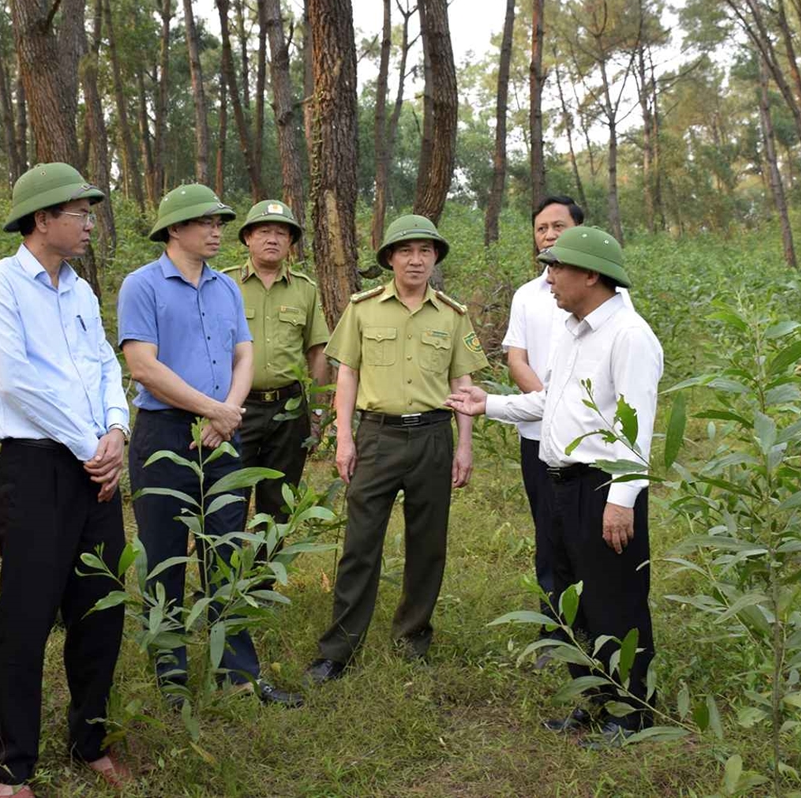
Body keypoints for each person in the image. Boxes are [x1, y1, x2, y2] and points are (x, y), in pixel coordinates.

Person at [447, 226, 663, 747]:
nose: (548, 279)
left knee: (614, 601)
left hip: (602, 488)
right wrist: (489, 404)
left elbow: (636, 431)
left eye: (556, 268)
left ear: (591, 275)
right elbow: (552, 403)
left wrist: (620, 502)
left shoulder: (630, 336)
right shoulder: (573, 330)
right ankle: (593, 700)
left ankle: (630, 714)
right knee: (572, 599)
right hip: (561, 484)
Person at [0, 163, 133, 796]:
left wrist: (116, 430)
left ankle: (90, 739)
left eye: (90, 214)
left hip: (96, 465)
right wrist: (92, 446)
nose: (89, 224)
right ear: (42, 219)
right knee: (26, 618)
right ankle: (10, 766)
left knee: (100, 610)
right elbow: (15, 382)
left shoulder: (80, 290)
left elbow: (104, 364)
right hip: (36, 467)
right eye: (79, 214)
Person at [118, 184, 301, 708]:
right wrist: (212, 410)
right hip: (165, 434)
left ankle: (238, 674)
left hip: (223, 433)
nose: (217, 231)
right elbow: (143, 366)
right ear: (175, 229)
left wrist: (228, 413)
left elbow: (244, 354)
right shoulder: (142, 285)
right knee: (164, 555)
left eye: (220, 223)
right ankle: (171, 677)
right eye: (206, 222)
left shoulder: (225, 288)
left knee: (226, 549)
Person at [305, 214, 487, 683]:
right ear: (389, 258)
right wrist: (344, 438)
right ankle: (338, 650)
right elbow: (347, 374)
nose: (416, 260)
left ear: (435, 258)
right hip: (377, 438)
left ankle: (412, 639)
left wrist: (464, 445)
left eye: (425, 251)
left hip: (433, 436)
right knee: (360, 545)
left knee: (428, 545)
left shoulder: (451, 315)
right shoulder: (363, 309)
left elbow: (462, 381)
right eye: (406, 251)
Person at [221, 200, 330, 524]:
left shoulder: (305, 290)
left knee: (278, 504)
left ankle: (266, 560)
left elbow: (318, 352)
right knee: (227, 499)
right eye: (264, 232)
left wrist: (317, 412)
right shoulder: (224, 284)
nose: (273, 239)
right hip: (236, 408)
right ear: (247, 238)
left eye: (282, 233)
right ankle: (221, 560)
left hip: (288, 410)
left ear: (290, 241)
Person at [502, 195, 583, 620]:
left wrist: (570, 410)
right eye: (541, 228)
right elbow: (517, 359)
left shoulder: (605, 292)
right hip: (537, 433)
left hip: (589, 435)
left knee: (587, 527)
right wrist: (552, 407)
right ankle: (554, 625)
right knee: (548, 528)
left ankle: (593, 616)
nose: (549, 234)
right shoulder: (526, 296)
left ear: (579, 230)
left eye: (558, 226)